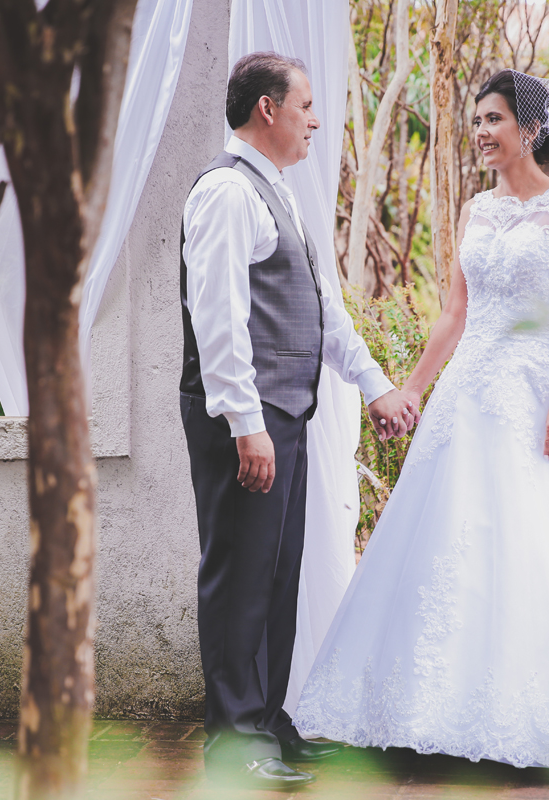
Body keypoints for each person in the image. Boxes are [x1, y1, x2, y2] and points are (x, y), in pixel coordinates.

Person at [292, 69, 549, 776]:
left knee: (541, 540)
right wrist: (414, 390)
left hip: (538, 391)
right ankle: (428, 713)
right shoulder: (476, 213)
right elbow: (456, 314)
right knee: (448, 540)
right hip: (469, 396)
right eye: (477, 122)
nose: (481, 134)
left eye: (493, 121)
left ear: (531, 129)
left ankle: (546, 715)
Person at [179, 51, 417, 790]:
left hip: (284, 411)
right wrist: (246, 424)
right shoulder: (225, 192)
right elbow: (218, 319)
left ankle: (266, 721)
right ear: (268, 110)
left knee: (276, 578)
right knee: (239, 576)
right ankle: (234, 741)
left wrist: (374, 384)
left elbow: (325, 312)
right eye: (307, 105)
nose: (317, 119)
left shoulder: (276, 191)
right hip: (244, 418)